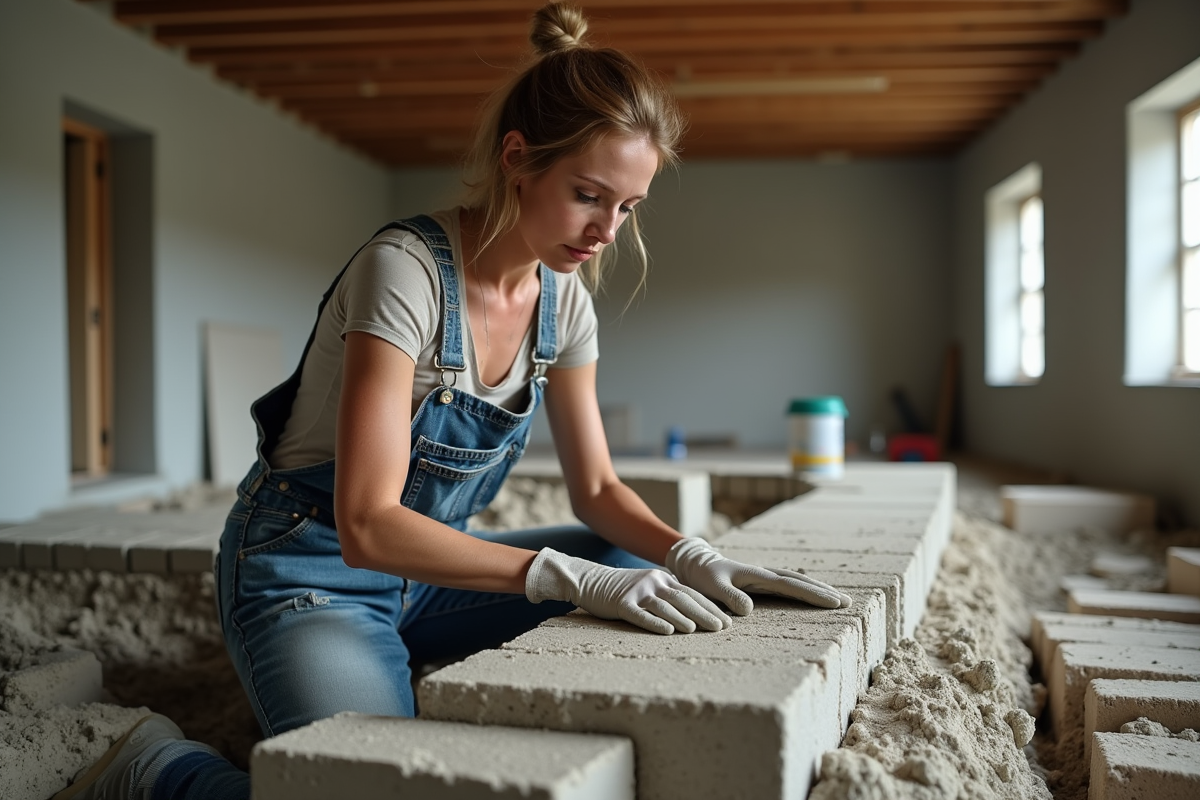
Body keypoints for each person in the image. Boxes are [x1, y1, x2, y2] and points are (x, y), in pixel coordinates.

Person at [54, 4, 851, 799]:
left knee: (625, 560)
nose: (607, 229)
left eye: (628, 207)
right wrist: (563, 579)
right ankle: (157, 769)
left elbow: (600, 491)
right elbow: (366, 524)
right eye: (588, 194)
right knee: (380, 791)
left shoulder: (563, 302)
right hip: (312, 568)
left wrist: (692, 554)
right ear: (517, 157)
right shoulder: (405, 273)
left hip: (430, 571)